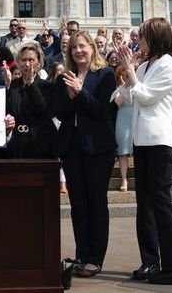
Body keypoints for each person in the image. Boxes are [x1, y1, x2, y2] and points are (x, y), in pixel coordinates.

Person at [116, 17, 172, 285]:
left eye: (143, 36)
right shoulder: (146, 65)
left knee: (161, 203)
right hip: (142, 141)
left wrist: (131, 73)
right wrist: (128, 73)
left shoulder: (169, 64)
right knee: (144, 204)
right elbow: (131, 95)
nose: (139, 40)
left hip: (160, 141)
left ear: (156, 38)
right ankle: (150, 261)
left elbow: (147, 97)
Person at [53, 31, 117, 278]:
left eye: (82, 46)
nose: (78, 51)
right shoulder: (64, 78)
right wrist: (71, 97)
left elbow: (103, 110)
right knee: (78, 204)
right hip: (72, 147)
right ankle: (82, 254)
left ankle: (96, 258)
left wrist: (80, 93)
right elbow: (59, 112)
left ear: (92, 48)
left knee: (96, 202)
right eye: (74, 48)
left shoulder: (105, 75)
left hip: (98, 147)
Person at [5, 44, 55, 159]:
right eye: (23, 60)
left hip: (40, 147)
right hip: (16, 147)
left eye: (31, 60)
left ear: (39, 64)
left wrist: (31, 84)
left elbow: (43, 111)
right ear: (18, 62)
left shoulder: (48, 86)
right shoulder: (12, 86)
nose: (27, 64)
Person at [111, 65, 134, 192]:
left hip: (136, 118)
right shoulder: (117, 89)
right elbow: (117, 103)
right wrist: (125, 87)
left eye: (128, 72)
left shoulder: (137, 84)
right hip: (123, 119)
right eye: (123, 72)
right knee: (123, 150)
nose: (126, 75)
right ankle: (124, 179)